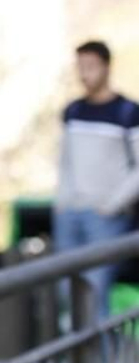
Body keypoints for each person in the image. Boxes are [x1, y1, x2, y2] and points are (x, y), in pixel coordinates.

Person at [55, 40, 139, 314]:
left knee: (95, 292)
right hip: (71, 213)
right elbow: (66, 162)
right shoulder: (73, 112)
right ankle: (76, 357)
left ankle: (99, 359)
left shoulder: (127, 112)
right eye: (80, 67)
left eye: (90, 67)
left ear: (106, 67)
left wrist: (113, 204)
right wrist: (63, 201)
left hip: (106, 216)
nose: (84, 74)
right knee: (69, 295)